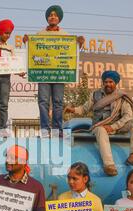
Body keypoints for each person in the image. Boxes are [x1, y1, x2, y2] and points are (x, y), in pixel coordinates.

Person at [23, 5, 85, 138]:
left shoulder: (65, 35)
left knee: (58, 102)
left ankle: (57, 130)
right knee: (43, 102)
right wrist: (27, 42)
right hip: (43, 74)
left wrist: (79, 43)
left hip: (59, 75)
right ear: (47, 18)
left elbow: (71, 53)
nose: (52, 17)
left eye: (55, 15)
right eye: (50, 15)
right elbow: (33, 51)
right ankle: (45, 130)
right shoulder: (39, 34)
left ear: (59, 19)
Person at [65, 70, 133, 176]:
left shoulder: (121, 97)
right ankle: (109, 165)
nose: (108, 84)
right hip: (100, 126)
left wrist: (113, 126)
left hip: (118, 126)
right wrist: (72, 110)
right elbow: (84, 109)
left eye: (111, 82)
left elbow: (128, 116)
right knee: (100, 130)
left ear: (115, 83)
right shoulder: (95, 95)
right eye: (106, 82)